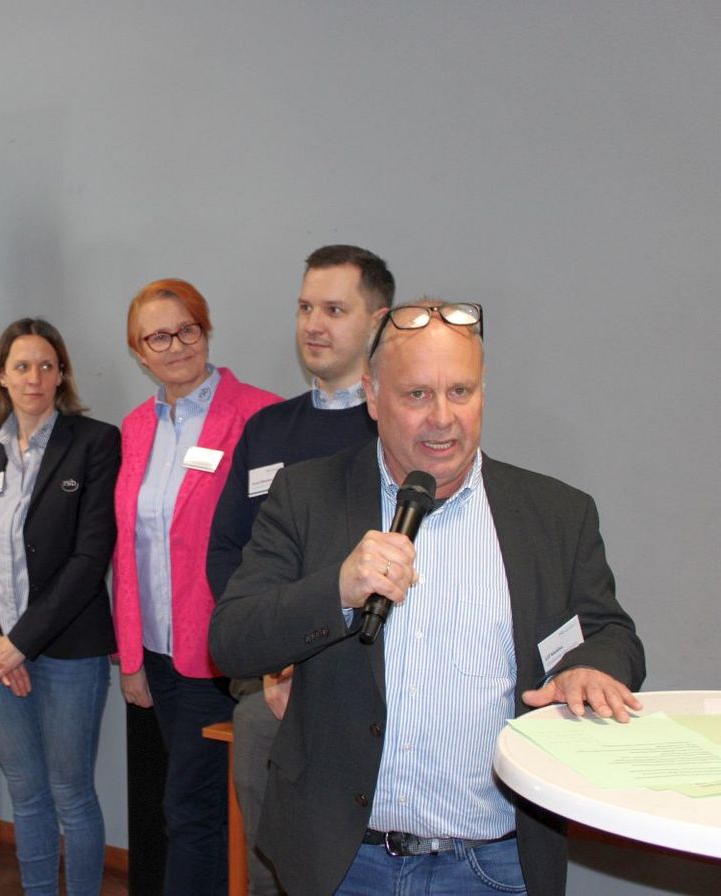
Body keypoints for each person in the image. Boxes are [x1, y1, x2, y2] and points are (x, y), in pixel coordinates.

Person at [210, 301, 645, 896]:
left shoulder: (556, 513)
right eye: (417, 395)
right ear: (372, 396)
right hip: (344, 862)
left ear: (483, 392)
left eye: (460, 391)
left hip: (496, 864)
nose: (443, 418)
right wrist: (337, 590)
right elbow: (232, 640)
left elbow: (611, 633)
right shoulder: (306, 495)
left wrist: (592, 666)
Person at [206, 245, 393, 894]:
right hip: (268, 681)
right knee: (270, 866)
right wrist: (274, 657)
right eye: (305, 308)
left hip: (363, 681)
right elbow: (225, 551)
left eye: (334, 310)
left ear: (378, 320)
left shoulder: (395, 435)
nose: (313, 324)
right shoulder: (268, 428)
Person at [112, 278, 281, 895]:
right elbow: (128, 547)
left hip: (218, 652)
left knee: (191, 807)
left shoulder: (260, 416)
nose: (177, 345)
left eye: (188, 329)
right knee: (193, 805)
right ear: (139, 352)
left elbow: (275, 542)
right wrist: (131, 656)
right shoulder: (136, 426)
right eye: (158, 336)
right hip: (158, 653)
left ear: (206, 331)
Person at [0, 318, 120, 896]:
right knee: (26, 794)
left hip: (68, 650)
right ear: (1, 376)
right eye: (21, 366)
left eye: (47, 366)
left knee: (71, 792)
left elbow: (90, 557)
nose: (34, 378)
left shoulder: (95, 442)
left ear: (61, 375)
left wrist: (20, 643)